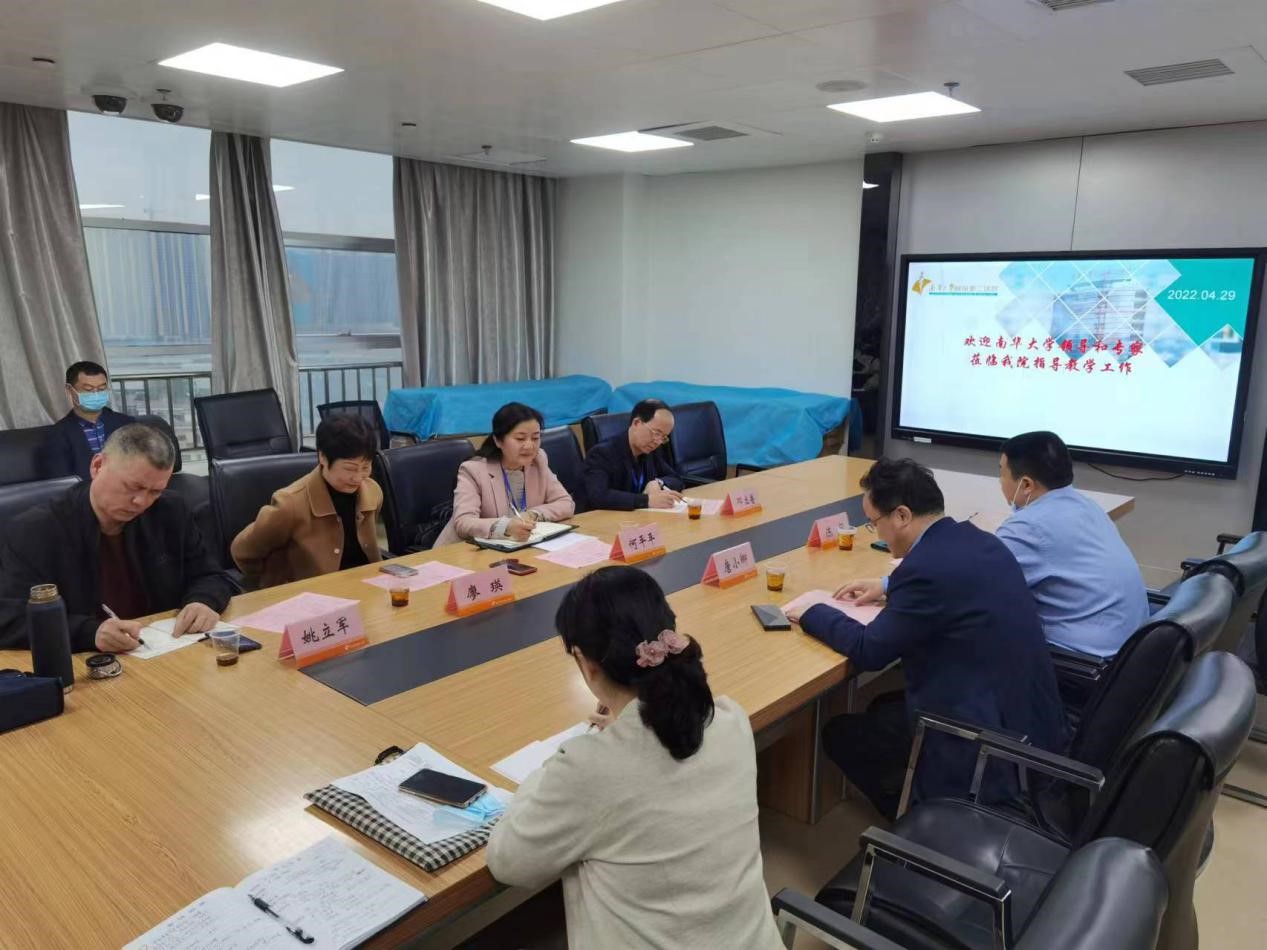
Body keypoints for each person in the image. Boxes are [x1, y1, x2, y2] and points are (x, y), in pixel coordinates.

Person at [486, 566, 783, 950]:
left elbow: (508, 862)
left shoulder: (590, 767)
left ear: (586, 663)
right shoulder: (730, 719)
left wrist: (556, 765)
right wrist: (622, 728)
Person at [785, 457, 1068, 821]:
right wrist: (891, 587)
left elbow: (869, 650)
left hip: (985, 742)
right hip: (1031, 721)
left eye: (874, 523)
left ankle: (924, 818)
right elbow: (952, 590)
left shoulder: (924, 570)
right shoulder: (980, 541)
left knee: (841, 733)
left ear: (902, 515)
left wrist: (813, 611)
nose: (877, 534)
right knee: (882, 706)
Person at [0, 424, 236, 653]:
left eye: (155, 491)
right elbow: (9, 618)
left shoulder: (170, 512)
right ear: (97, 466)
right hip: (84, 659)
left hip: (163, 651)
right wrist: (89, 633)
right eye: (132, 486)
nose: (141, 502)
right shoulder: (34, 531)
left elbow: (211, 575)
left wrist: (203, 601)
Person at [996, 431, 1149, 659]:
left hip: (1086, 662)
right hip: (1133, 647)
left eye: (1001, 473)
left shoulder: (1027, 528)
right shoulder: (1088, 506)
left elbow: (979, 589)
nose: (999, 481)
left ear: (1026, 484)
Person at [230, 415, 383, 588]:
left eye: (365, 467)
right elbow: (243, 551)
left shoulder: (373, 491)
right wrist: (274, 581)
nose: (358, 477)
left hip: (366, 587)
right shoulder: (290, 503)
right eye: (350, 468)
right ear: (323, 457)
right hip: (313, 594)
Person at [433, 402, 575, 547]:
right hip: (463, 552)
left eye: (535, 438)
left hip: (516, 548)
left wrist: (533, 514)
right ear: (498, 441)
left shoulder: (538, 460)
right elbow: (463, 523)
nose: (529, 446)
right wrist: (505, 527)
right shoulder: (473, 470)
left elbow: (566, 503)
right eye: (520, 439)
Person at [39, 360, 135, 481]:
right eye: (89, 389)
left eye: (101, 389)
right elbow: (62, 484)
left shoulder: (127, 425)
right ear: (70, 390)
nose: (96, 394)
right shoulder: (56, 436)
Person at [583, 398, 684, 510]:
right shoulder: (601, 454)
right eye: (656, 433)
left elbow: (676, 479)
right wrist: (646, 500)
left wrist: (658, 483)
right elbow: (598, 496)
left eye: (663, 437)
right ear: (637, 423)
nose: (658, 441)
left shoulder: (650, 450)